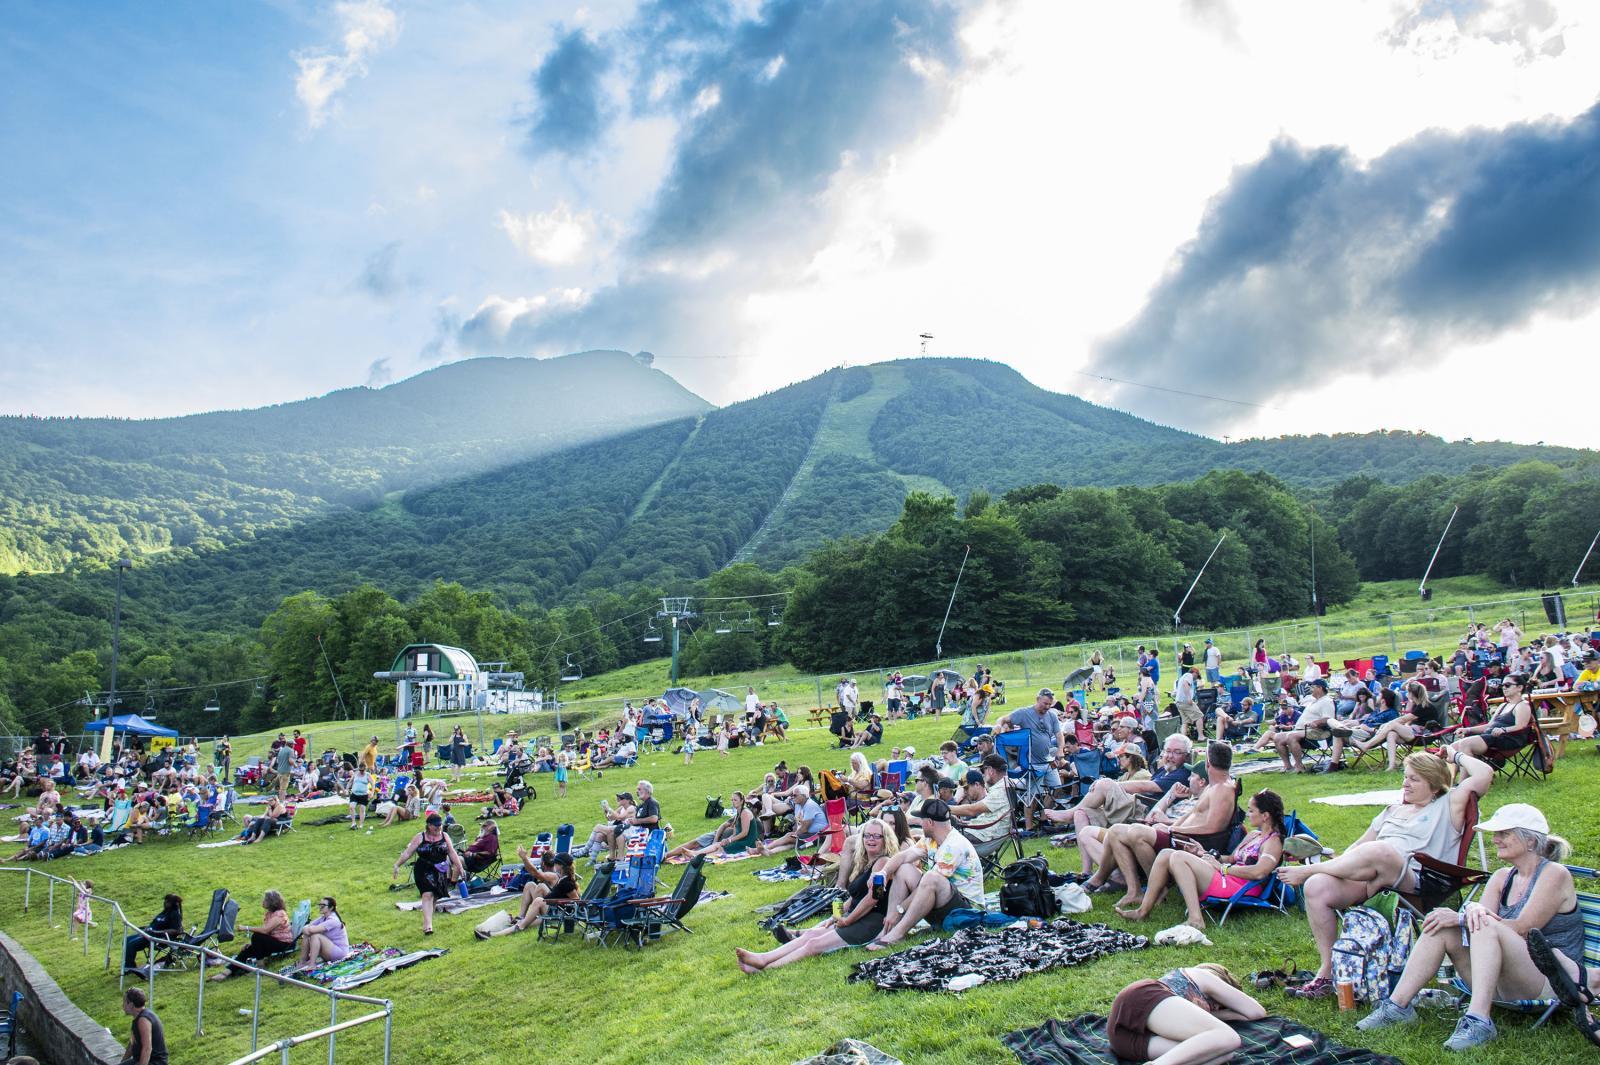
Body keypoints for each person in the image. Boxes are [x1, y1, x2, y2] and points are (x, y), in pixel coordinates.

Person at [1359, 803, 1578, 1050]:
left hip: (1549, 980)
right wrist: (1464, 915)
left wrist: (1464, 916)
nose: (1495, 840)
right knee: (1442, 926)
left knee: (1480, 923)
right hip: (1499, 979)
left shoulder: (1554, 874)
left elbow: (1523, 928)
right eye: (1496, 834)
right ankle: (1397, 1006)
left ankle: (1479, 1020)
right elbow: (1475, 924)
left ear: (1530, 841)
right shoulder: (1502, 877)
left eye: (1504, 833)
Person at [1277, 750, 1494, 999]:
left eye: (1414, 779)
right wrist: (1339, 863)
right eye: (1405, 776)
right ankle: (1329, 971)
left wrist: (1455, 754)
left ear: (1434, 785)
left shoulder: (1449, 804)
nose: (1405, 783)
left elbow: (1484, 773)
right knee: (1316, 887)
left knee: (1381, 850)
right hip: (1373, 878)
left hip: (1419, 882)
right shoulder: (1392, 811)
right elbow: (1357, 848)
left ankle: (1308, 870)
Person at [1086, 742, 1240, 910]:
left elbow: (1212, 828)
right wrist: (1167, 824)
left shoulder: (1223, 789)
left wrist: (1172, 830)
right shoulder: (1214, 787)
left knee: (1137, 833)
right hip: (1183, 835)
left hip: (1193, 842)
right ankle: (1134, 891)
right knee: (1116, 831)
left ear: (1209, 762)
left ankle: (1158, 888)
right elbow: (1192, 816)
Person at [737, 817, 901, 972]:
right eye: (867, 835)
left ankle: (764, 968)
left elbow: (873, 898)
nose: (871, 839)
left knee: (814, 944)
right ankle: (763, 958)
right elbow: (855, 897)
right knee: (812, 933)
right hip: (857, 916)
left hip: (871, 922)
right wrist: (835, 916)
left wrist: (848, 920)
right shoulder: (866, 863)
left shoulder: (883, 862)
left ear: (885, 839)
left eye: (876, 836)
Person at [1118, 789, 1286, 929]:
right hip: (1228, 876)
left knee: (1178, 857)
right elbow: (1229, 858)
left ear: (1265, 816)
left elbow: (1259, 872)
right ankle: (1143, 911)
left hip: (1241, 886)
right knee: (1165, 854)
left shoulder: (1273, 842)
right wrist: (1204, 853)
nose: (1247, 815)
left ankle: (1196, 919)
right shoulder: (1253, 835)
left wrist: (1223, 869)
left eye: (1251, 811)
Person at [865, 799, 981, 949]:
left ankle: (897, 933)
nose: (919, 822)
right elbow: (903, 856)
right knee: (904, 868)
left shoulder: (954, 846)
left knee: (931, 877)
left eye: (921, 819)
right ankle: (888, 929)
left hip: (966, 912)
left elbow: (928, 885)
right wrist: (882, 873)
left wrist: (899, 910)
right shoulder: (931, 840)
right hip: (945, 904)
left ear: (930, 822)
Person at [1106, 965, 1265, 1064]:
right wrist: (1228, 1013)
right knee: (1229, 1037)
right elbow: (1256, 1012)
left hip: (1123, 1041)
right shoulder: (1201, 975)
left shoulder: (1186, 1016)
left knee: (1223, 1053)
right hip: (1143, 996)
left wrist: (1219, 1015)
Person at [392, 813, 465, 935]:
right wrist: (397, 865)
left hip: (440, 870)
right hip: (423, 869)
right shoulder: (420, 837)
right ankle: (428, 926)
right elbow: (407, 853)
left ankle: (428, 919)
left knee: (435, 896)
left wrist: (460, 867)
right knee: (427, 895)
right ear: (429, 825)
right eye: (435, 826)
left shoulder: (445, 836)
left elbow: (452, 853)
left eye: (440, 825)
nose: (438, 828)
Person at [1442, 675, 1535, 760]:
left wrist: (1504, 730)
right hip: (1490, 736)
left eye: (1507, 685)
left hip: (1508, 739)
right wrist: (1468, 729)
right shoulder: (1503, 705)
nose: (1504, 688)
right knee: (1450, 749)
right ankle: (1452, 777)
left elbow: (1521, 726)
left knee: (1465, 744)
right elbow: (1489, 725)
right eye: (1502, 685)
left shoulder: (1522, 705)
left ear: (1520, 687)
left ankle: (1471, 776)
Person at [212, 891, 293, 979]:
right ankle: (225, 973)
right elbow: (267, 933)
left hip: (284, 944)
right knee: (246, 950)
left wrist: (246, 928)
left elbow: (265, 930)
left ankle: (260, 967)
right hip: (273, 941)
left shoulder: (280, 914)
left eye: (265, 900)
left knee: (257, 936)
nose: (262, 901)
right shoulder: (269, 914)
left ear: (271, 902)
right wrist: (252, 944)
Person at [1273, 677, 1334, 772]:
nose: (1310, 689)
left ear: (1320, 688)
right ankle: (1288, 766)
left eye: (1313, 687)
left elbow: (1328, 719)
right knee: (1277, 737)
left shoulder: (1327, 701)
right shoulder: (1313, 701)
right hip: (1302, 731)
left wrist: (1316, 722)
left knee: (1291, 736)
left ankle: (1299, 766)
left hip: (1320, 732)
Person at [756, 784, 829, 855]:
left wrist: (792, 835)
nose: (792, 797)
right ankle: (770, 852)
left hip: (818, 835)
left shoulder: (810, 805)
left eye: (795, 795)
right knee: (791, 843)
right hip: (809, 834)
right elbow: (798, 823)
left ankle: (761, 849)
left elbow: (804, 829)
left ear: (804, 796)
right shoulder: (798, 805)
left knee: (789, 837)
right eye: (792, 795)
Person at [123, 894, 182, 974]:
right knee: (126, 940)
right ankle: (129, 965)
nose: (164, 903)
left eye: (167, 901)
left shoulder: (175, 914)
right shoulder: (164, 912)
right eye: (165, 900)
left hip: (158, 938)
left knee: (131, 945)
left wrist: (157, 932)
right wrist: (146, 928)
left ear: (172, 903)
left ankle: (129, 968)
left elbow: (176, 930)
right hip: (148, 933)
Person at [295, 896, 351, 971]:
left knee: (316, 936)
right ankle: (303, 962)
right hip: (330, 949)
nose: (320, 907)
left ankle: (312, 964)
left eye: (323, 905)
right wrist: (307, 929)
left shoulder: (333, 920)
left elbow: (311, 929)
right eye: (320, 905)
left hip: (340, 953)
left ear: (331, 908)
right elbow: (307, 927)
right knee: (307, 935)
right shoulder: (323, 917)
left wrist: (307, 929)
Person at [117, 986, 168, 1065]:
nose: (122, 1006)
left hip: (154, 1062)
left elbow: (147, 1049)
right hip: (138, 1060)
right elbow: (132, 1044)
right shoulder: (137, 1018)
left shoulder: (143, 1020)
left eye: (124, 1002)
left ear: (131, 1004)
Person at [346, 765, 372, 830]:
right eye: (360, 770)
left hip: (364, 795)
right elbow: (350, 782)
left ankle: (361, 825)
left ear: (365, 769)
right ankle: (353, 823)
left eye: (362, 770)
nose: (361, 771)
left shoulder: (367, 775)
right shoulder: (355, 774)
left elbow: (373, 784)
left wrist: (372, 792)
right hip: (354, 794)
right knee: (351, 807)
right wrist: (347, 789)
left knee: (362, 809)